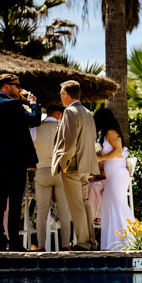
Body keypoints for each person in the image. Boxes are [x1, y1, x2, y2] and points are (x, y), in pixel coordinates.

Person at [0, 73, 42, 251]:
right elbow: (35, 120)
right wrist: (33, 104)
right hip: (16, 161)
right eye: (17, 85)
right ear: (7, 86)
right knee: (15, 202)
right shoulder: (15, 104)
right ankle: (14, 242)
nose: (19, 88)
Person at [52, 80, 98, 251]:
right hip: (86, 165)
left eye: (60, 94)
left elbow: (69, 142)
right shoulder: (87, 112)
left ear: (65, 94)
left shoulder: (70, 112)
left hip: (72, 165)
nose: (60, 97)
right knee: (84, 204)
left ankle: (82, 243)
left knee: (76, 204)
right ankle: (90, 242)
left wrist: (64, 163)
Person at [32, 104, 72, 251]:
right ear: (59, 115)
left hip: (42, 170)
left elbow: (29, 151)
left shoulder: (35, 130)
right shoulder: (65, 130)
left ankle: (41, 246)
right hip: (61, 172)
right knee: (64, 211)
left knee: (41, 212)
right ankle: (65, 246)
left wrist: (35, 166)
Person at [95, 108, 134, 250]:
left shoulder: (112, 132)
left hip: (118, 174)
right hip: (111, 175)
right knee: (108, 206)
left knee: (118, 205)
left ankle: (129, 240)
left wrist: (100, 157)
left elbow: (118, 151)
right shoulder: (104, 134)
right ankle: (113, 242)